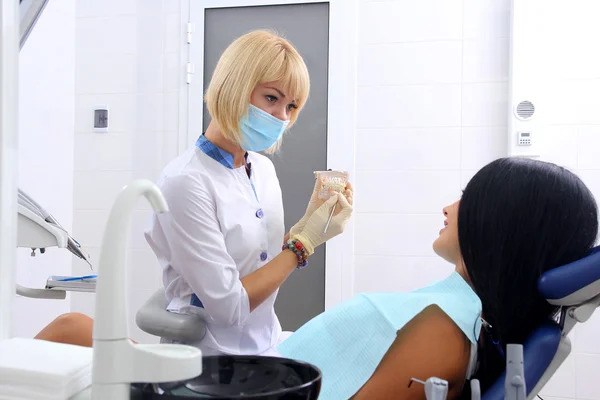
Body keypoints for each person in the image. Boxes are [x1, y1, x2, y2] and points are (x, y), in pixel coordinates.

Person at [34, 157, 598, 399]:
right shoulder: (460, 302)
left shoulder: (445, 334)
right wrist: (302, 239)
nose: (449, 206)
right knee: (71, 328)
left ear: (502, 228)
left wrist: (301, 243)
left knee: (67, 329)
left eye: (469, 200)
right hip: (269, 365)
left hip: (256, 388)